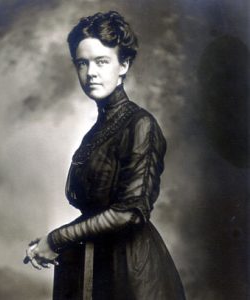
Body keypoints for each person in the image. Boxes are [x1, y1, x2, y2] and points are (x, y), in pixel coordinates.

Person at [24, 11, 186, 300]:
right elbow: (95, 211)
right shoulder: (98, 129)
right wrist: (51, 243)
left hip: (130, 273)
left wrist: (57, 239)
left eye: (101, 61)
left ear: (123, 64)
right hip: (89, 265)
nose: (91, 73)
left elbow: (130, 212)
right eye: (82, 63)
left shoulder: (140, 124)